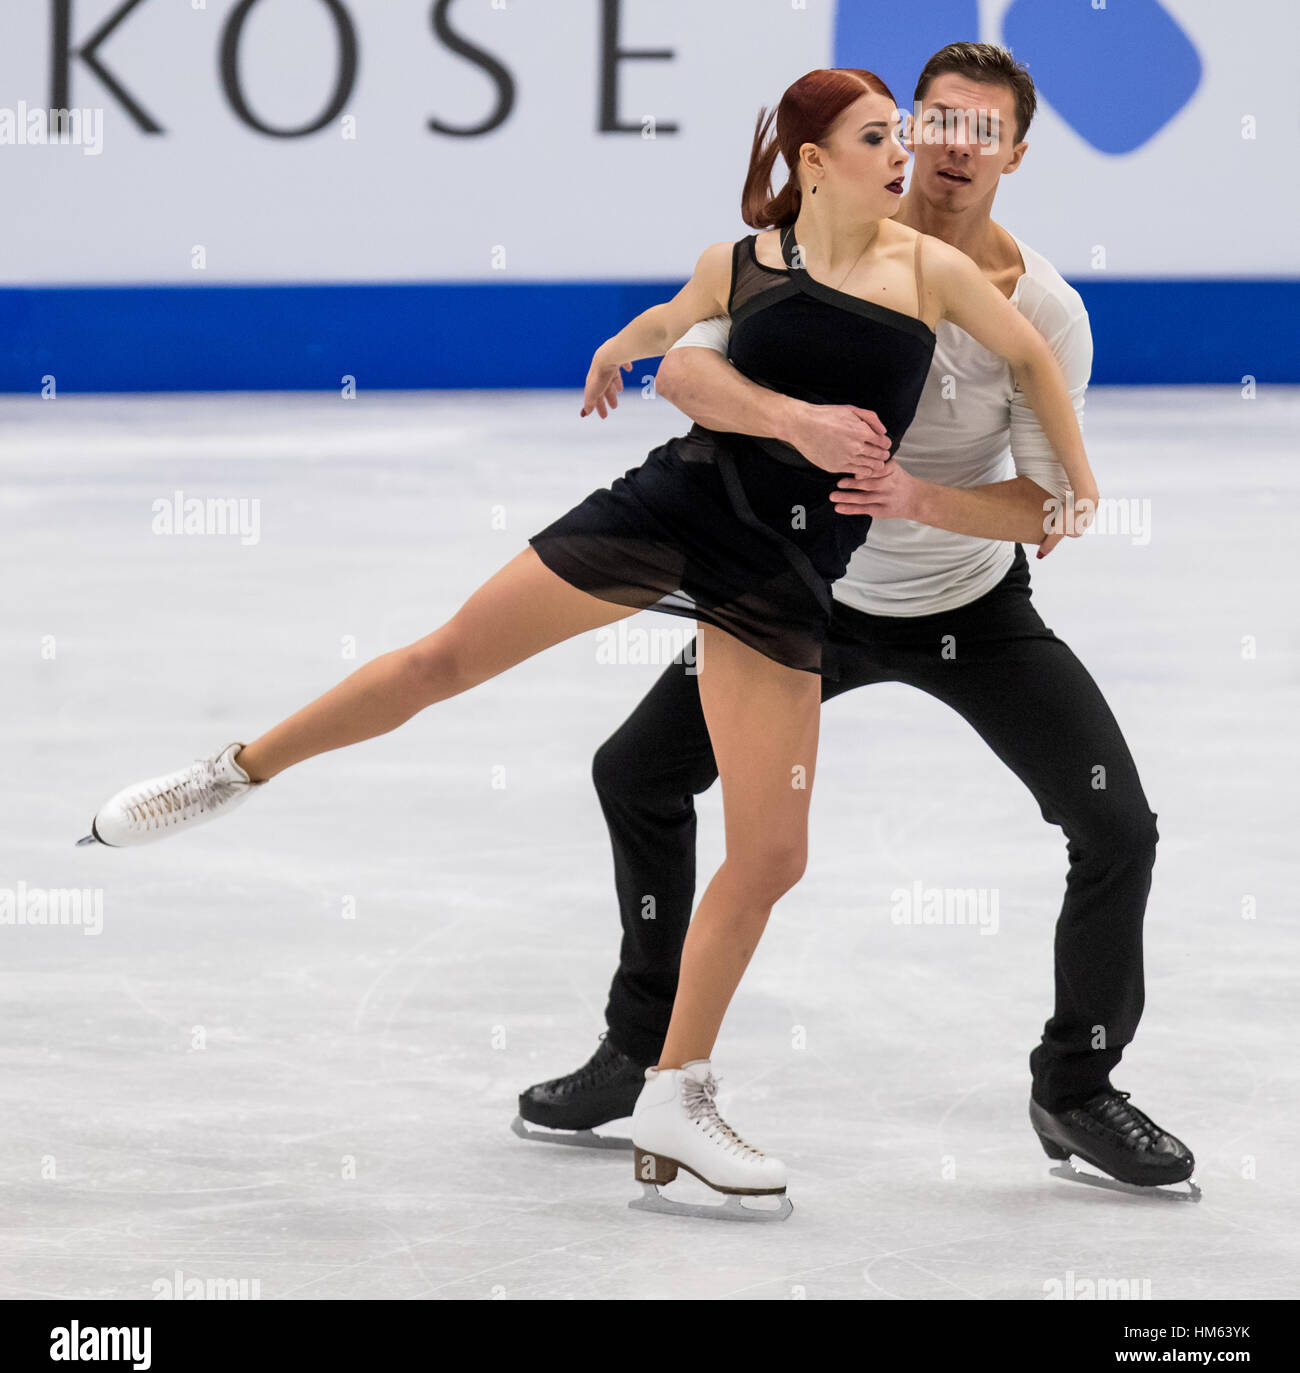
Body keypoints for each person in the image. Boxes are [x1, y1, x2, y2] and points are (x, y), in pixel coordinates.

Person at [78, 66, 1096, 1221]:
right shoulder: (742, 259)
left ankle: (673, 1093)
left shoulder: (932, 271)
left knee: (771, 853)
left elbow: (1028, 360)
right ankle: (231, 771)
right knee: (441, 659)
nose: (904, 155)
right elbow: (677, 334)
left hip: (779, 572)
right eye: (879, 137)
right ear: (814, 162)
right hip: (674, 507)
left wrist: (1080, 478)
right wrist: (626, 344)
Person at [517, 43, 1197, 1201]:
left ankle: (1075, 1086)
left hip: (966, 607)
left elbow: (1054, 507)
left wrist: (920, 499)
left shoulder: (1040, 313)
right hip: (796, 601)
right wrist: (772, 411)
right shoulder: (805, 256)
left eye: (982, 130)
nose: (950, 147)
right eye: (933, 120)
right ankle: (642, 1050)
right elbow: (689, 369)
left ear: (1016, 155)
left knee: (1116, 826)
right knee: (633, 771)